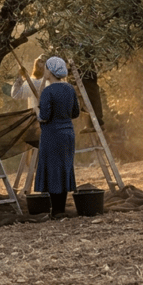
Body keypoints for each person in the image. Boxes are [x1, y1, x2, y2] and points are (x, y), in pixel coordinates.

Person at [34, 56, 80, 218]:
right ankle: (61, 208)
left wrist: (37, 113)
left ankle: (56, 211)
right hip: (68, 134)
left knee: (53, 170)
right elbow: (76, 113)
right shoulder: (70, 89)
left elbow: (44, 116)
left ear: (50, 71)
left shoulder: (48, 91)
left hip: (52, 135)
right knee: (64, 169)